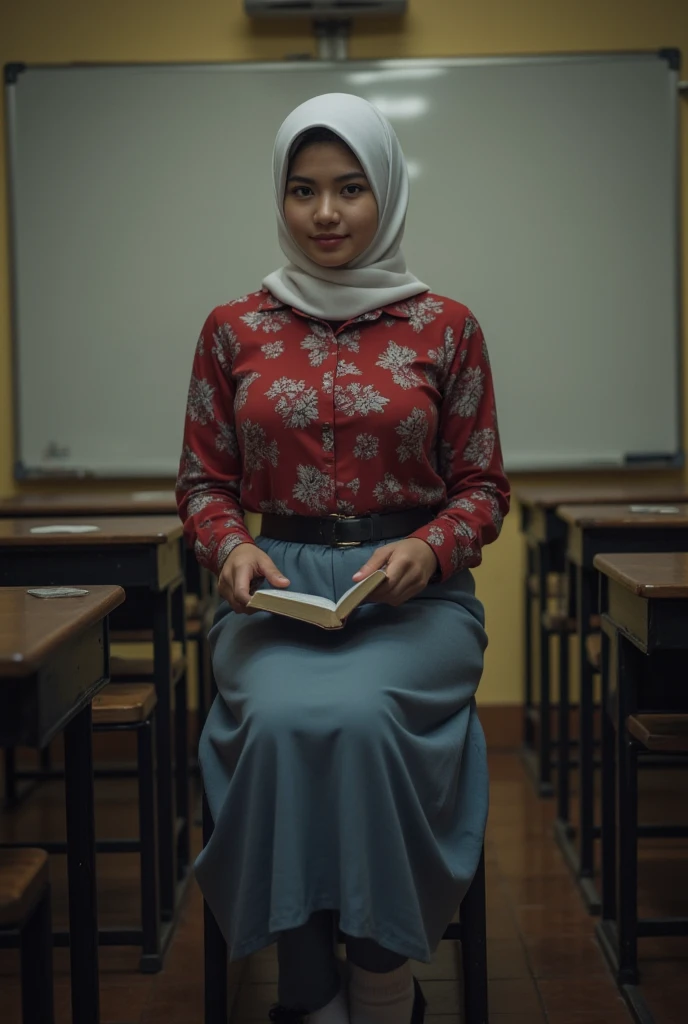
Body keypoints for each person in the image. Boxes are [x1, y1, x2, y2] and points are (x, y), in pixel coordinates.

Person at [176, 92, 510, 1024]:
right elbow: (203, 484)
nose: (326, 214)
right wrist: (231, 547)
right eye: (304, 191)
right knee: (281, 726)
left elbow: (483, 487)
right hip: (274, 595)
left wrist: (430, 545)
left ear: (387, 194)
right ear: (279, 200)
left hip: (412, 603)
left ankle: (379, 981)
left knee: (361, 722)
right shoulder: (231, 329)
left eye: (351, 189)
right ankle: (308, 995)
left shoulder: (448, 328)